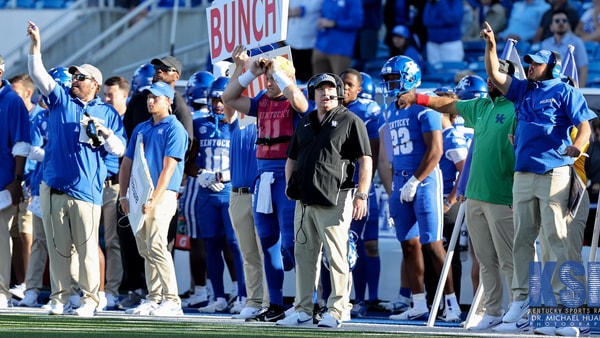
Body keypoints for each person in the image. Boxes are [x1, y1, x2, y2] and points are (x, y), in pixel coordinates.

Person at [481, 21, 596, 335]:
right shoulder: (522, 89)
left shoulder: (565, 91)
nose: (529, 67)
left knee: (558, 242)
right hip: (524, 174)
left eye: (536, 63)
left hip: (554, 171)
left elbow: (585, 126)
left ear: (553, 68)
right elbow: (495, 74)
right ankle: (521, 303)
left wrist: (579, 145)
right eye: (528, 62)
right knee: (522, 241)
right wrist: (491, 45)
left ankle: (570, 312)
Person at [401, 62, 517, 331]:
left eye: (497, 76)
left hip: (503, 194)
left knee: (509, 258)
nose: (491, 80)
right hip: (474, 195)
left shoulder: (517, 108)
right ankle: (492, 310)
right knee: (486, 260)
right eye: (489, 76)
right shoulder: (479, 107)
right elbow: (447, 105)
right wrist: (416, 97)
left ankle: (517, 309)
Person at [27, 21, 127, 317]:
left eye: (80, 77)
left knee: (85, 250)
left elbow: (120, 150)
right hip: (54, 184)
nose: (74, 80)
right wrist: (36, 45)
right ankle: (59, 297)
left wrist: (106, 133)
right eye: (74, 76)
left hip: (86, 188)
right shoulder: (60, 100)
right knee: (58, 249)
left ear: (94, 84)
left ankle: (90, 299)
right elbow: (38, 74)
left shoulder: (106, 111)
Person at [278, 72, 372, 328]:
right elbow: (292, 157)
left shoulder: (351, 121)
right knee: (304, 254)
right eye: (321, 90)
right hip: (305, 200)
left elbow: (366, 159)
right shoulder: (306, 121)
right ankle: (303, 308)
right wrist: (289, 184)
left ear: (339, 93)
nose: (326, 94)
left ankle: (338, 309)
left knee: (337, 256)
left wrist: (361, 195)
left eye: (331, 89)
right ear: (314, 93)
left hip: (336, 198)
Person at [223, 44, 309, 322]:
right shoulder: (261, 100)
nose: (269, 82)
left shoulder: (295, 98)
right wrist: (250, 72)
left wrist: (279, 71)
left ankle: (307, 301)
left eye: (273, 78)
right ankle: (275, 303)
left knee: (291, 244)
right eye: (268, 78)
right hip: (263, 177)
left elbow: (301, 103)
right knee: (268, 240)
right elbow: (228, 97)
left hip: (287, 176)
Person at [377, 55, 462, 323]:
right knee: (408, 245)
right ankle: (417, 303)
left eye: (394, 78)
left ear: (409, 78)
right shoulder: (391, 110)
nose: (390, 84)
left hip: (425, 181)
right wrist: (396, 186)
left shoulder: (427, 109)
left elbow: (436, 151)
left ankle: (451, 304)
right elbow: (392, 155)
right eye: (387, 79)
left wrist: (415, 180)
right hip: (401, 180)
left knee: (433, 243)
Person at [119, 81, 188, 316]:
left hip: (163, 194)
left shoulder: (175, 128)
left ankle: (172, 299)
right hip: (140, 195)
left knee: (157, 245)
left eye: (156, 97)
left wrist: (154, 198)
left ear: (168, 101)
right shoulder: (140, 128)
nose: (150, 101)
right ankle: (154, 297)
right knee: (146, 248)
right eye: (149, 97)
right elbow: (127, 164)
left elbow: (169, 169)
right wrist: (123, 195)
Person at [183, 76, 245, 314]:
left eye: (222, 99)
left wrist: (225, 176)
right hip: (205, 194)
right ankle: (217, 296)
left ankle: (241, 295)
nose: (219, 104)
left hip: (230, 191)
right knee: (211, 245)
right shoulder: (199, 124)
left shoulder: (239, 124)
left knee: (234, 244)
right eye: (214, 99)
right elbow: (187, 162)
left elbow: (247, 159)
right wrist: (201, 174)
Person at [337, 69, 383, 317]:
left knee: (362, 244)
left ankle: (365, 298)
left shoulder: (367, 112)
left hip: (358, 187)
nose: (343, 88)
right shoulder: (327, 107)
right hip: (334, 187)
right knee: (335, 247)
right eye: (341, 83)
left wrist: (363, 188)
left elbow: (372, 155)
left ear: (359, 89)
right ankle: (334, 297)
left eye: (348, 84)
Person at [227, 50, 268, 320]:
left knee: (266, 252)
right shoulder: (235, 124)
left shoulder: (269, 122)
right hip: (238, 195)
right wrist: (239, 67)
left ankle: (269, 301)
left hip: (262, 193)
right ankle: (253, 300)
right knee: (249, 254)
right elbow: (229, 99)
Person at [0, 55, 31, 309]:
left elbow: (21, 144)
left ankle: (1, 292)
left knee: (1, 237)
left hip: (4, 182)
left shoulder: (12, 101)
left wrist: (17, 180)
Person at [8, 74, 39, 301]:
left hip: (31, 183)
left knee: (27, 234)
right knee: (16, 235)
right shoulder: (14, 112)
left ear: (29, 93)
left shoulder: (39, 116)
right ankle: (20, 283)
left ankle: (30, 285)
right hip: (14, 183)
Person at [312, 0, 363, 75]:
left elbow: (357, 22)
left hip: (340, 50)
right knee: (318, 82)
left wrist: (335, 23)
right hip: (321, 47)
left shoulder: (354, 1)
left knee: (339, 82)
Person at [540, 9, 589, 87]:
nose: (561, 23)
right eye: (557, 21)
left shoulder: (577, 42)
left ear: (568, 25)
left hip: (570, 88)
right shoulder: (545, 44)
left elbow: (583, 69)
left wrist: (579, 91)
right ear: (551, 27)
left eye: (564, 20)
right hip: (551, 87)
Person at [285, 0, 323, 83]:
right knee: (293, 75)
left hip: (312, 43)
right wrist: (290, 13)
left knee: (310, 77)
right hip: (292, 41)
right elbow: (278, 13)